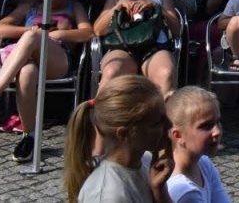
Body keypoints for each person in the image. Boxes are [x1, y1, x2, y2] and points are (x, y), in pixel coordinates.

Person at [0, 0, 94, 160]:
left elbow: (88, 33)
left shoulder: (74, 6)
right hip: (29, 60)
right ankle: (29, 138)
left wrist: (57, 35)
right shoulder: (28, 7)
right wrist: (33, 29)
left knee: (33, 37)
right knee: (26, 72)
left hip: (57, 60)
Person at [63, 73, 173, 203]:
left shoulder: (146, 161)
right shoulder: (108, 195)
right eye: (158, 122)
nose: (170, 124)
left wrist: (158, 190)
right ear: (124, 133)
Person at [95, 0, 182, 95]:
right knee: (112, 72)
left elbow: (177, 30)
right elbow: (98, 30)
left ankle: (164, 115)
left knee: (166, 74)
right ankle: (98, 115)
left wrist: (157, 7)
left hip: (155, 48)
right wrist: (117, 7)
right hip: (123, 47)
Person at [163, 86, 230, 203]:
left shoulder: (203, 163)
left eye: (218, 122)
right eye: (205, 126)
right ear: (178, 135)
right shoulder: (183, 191)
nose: (217, 131)